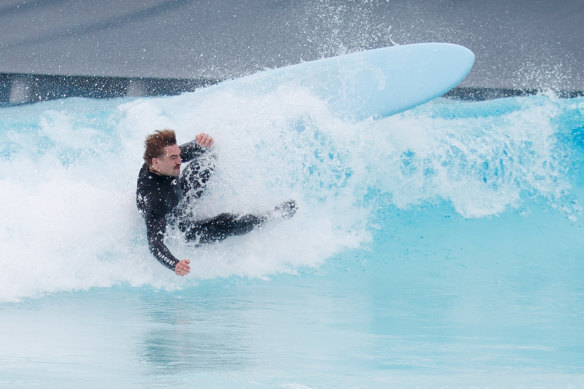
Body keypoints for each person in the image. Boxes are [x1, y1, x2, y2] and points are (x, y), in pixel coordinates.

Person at [136, 129, 296, 276]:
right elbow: (155, 244)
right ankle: (269, 217)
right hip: (179, 227)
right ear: (156, 162)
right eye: (174, 158)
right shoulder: (155, 200)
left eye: (179, 155)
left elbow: (201, 149)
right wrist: (174, 264)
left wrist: (205, 142)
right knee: (227, 223)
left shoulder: (163, 160)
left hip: (180, 196)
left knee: (206, 161)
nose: (180, 160)